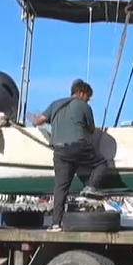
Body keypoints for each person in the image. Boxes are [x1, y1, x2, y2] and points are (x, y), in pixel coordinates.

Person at [28, 79, 107, 232]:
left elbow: (39, 121)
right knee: (101, 163)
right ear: (81, 93)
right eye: (88, 97)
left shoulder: (55, 104)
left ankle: (56, 224)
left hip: (59, 151)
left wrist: (35, 119)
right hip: (78, 146)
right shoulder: (84, 106)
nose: (88, 100)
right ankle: (91, 187)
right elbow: (91, 130)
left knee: (60, 188)